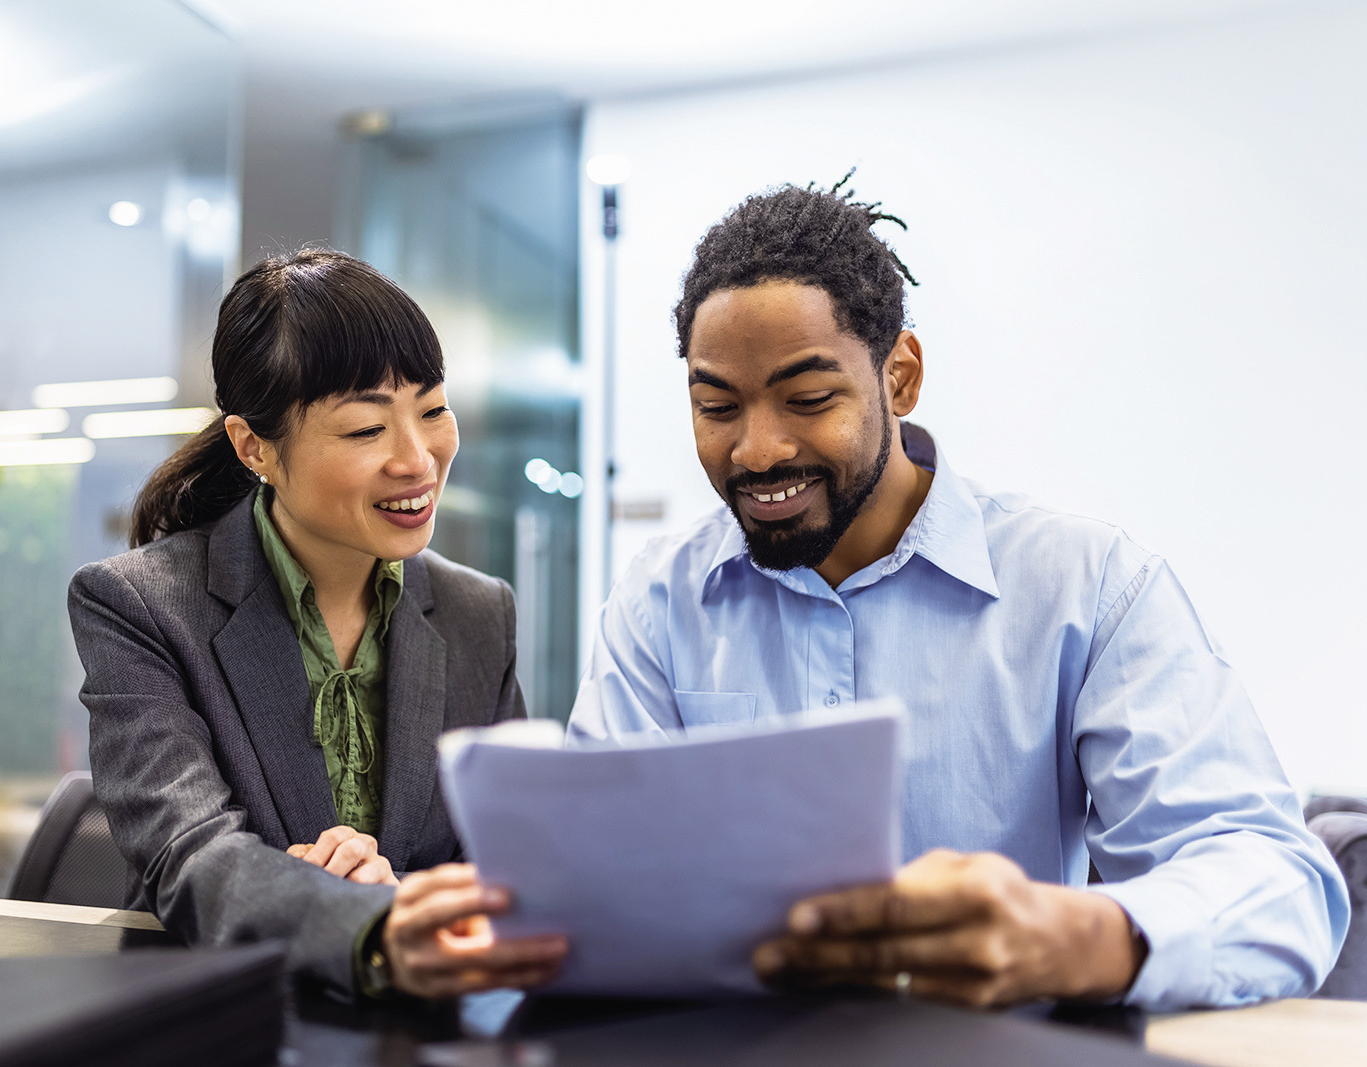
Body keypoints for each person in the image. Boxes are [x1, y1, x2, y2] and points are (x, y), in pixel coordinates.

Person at [567, 179, 1349, 1010]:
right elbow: (585, 873)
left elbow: (1277, 880)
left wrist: (1075, 934)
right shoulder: (658, 600)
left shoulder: (1085, 588)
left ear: (899, 378)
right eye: (717, 406)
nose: (756, 450)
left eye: (808, 399)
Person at [70, 251, 566, 1000]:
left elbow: (513, 856)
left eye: (432, 409)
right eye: (366, 429)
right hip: (216, 1021)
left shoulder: (478, 614)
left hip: (421, 1027)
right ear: (253, 447)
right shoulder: (140, 605)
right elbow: (192, 854)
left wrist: (393, 894)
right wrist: (360, 923)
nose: (418, 458)